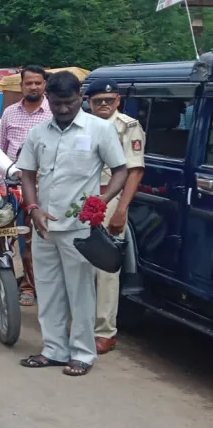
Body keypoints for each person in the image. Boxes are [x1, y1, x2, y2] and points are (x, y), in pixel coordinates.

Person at [15, 71, 128, 376]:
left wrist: (102, 202)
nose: (63, 109)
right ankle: (53, 349)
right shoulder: (38, 133)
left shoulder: (100, 129)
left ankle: (81, 354)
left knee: (80, 293)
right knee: (49, 291)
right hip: (44, 227)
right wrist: (34, 207)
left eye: (69, 102)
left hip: (79, 228)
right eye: (57, 103)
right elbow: (26, 173)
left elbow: (121, 170)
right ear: (48, 99)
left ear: (81, 97)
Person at [84, 78, 146, 355]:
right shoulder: (82, 124)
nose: (104, 105)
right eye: (98, 101)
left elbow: (135, 171)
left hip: (110, 200)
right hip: (82, 198)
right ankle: (83, 323)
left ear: (118, 100)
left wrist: (121, 210)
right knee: (80, 264)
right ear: (89, 102)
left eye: (109, 100)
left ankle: (104, 331)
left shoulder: (128, 126)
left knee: (106, 268)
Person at [0, 65, 52, 307]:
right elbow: (0, 148)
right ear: (21, 86)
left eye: (38, 83)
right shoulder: (9, 113)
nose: (33, 87)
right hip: (10, 185)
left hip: (42, 186)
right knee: (3, 235)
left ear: (44, 85)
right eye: (28, 83)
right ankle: (5, 281)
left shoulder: (53, 113)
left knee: (34, 239)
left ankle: (31, 285)